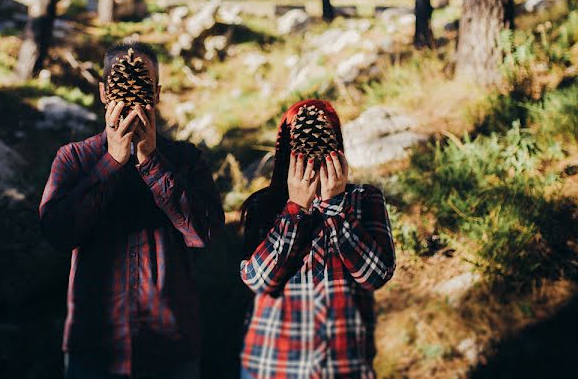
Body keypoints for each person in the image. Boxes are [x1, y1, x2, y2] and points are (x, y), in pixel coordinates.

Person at [38, 42, 225, 379]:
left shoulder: (187, 160)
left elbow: (204, 234)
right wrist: (111, 162)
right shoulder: (74, 159)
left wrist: (152, 161)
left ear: (157, 93)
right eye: (123, 86)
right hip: (95, 349)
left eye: (142, 87)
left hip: (169, 350)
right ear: (103, 93)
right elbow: (57, 233)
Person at [239, 99, 396, 379]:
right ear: (287, 150)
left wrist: (336, 205)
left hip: (343, 367)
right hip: (273, 366)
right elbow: (259, 280)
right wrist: (295, 210)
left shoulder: (364, 199)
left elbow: (375, 275)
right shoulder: (263, 205)